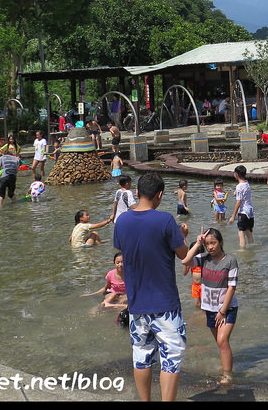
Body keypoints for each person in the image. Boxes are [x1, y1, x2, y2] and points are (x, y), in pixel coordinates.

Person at [112, 172, 190, 402]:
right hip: (165, 303)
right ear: (160, 195)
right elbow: (184, 256)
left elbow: (125, 252)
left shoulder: (122, 221)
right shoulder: (165, 220)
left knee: (141, 356)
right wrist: (182, 235)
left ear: (137, 192)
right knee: (171, 359)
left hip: (136, 304)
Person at [182, 227, 239, 385]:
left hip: (227, 308)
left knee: (222, 340)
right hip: (209, 308)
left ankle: (227, 376)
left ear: (220, 242)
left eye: (213, 243)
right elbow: (185, 261)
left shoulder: (230, 261)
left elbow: (231, 288)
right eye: (207, 244)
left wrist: (222, 311)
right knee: (221, 343)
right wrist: (197, 243)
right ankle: (226, 368)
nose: (210, 247)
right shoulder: (202, 258)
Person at [228, 166, 254, 248]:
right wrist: (236, 192)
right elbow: (244, 193)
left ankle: (242, 250)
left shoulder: (239, 187)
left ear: (236, 174)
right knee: (248, 232)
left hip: (243, 212)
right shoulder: (247, 183)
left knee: (241, 232)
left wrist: (233, 216)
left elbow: (238, 202)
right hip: (250, 211)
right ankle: (251, 247)